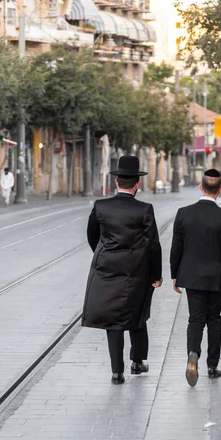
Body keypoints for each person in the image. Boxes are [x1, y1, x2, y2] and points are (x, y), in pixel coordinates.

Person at [82, 155, 163, 385]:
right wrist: (156, 275)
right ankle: (137, 362)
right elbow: (153, 244)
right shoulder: (145, 209)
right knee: (137, 315)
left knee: (113, 321)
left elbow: (92, 236)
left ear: (116, 182)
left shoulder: (101, 206)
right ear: (137, 184)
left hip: (106, 270)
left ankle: (117, 372)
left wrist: (104, 254)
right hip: (136, 271)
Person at [170, 169, 221, 387]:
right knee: (214, 319)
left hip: (192, 276)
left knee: (195, 319)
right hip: (217, 278)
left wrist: (175, 275)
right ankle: (212, 366)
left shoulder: (183, 213)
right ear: (220, 190)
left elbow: (176, 248)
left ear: (200, 187)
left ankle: (193, 353)